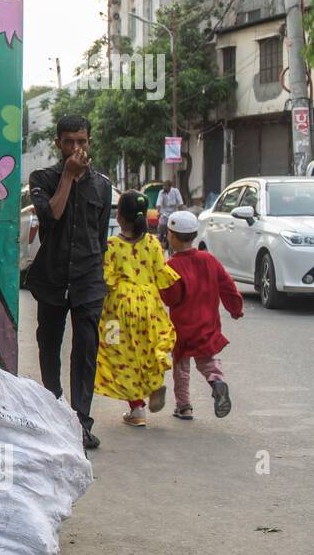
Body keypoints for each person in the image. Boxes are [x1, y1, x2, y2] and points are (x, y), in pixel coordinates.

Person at [27, 115, 113, 449]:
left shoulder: (102, 185)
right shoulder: (43, 178)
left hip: (88, 280)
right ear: (58, 144)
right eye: (69, 142)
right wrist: (67, 177)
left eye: (81, 141)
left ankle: (80, 422)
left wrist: (97, 274)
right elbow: (51, 216)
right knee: (49, 345)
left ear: (89, 142)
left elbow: (100, 236)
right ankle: (53, 409)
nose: (76, 148)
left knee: (86, 349)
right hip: (52, 279)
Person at [94, 191, 180, 427]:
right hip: (149, 306)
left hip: (117, 311)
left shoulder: (111, 245)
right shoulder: (153, 243)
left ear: (119, 217)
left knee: (118, 354)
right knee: (149, 347)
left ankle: (137, 408)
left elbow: (106, 280)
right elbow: (162, 275)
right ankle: (153, 384)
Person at [159, 210, 243, 419]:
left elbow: (170, 298)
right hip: (207, 323)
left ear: (171, 236)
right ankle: (217, 380)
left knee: (181, 366)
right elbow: (228, 286)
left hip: (182, 327)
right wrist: (235, 308)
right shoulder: (209, 260)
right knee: (206, 360)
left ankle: (184, 406)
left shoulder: (171, 266)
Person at [155, 177, 184, 244]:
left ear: (169, 186)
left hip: (174, 213)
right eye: (163, 186)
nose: (164, 187)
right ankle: (160, 239)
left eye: (165, 186)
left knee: (176, 228)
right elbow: (159, 203)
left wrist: (181, 212)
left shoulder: (175, 191)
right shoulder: (161, 192)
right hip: (164, 213)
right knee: (162, 225)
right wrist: (158, 211)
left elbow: (180, 203)